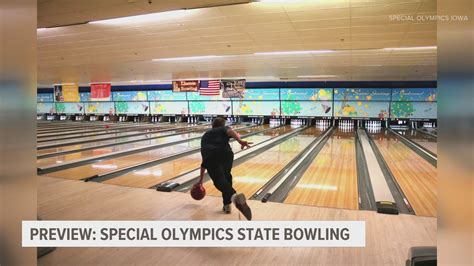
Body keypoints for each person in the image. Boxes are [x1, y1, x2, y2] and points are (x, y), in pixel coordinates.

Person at [199, 117, 253, 220]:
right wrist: (240, 140)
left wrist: (201, 180)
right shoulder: (223, 129)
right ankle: (227, 205)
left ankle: (234, 197)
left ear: (212, 125)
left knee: (219, 180)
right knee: (226, 178)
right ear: (222, 125)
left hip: (211, 156)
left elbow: (204, 161)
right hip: (227, 154)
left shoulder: (205, 135)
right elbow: (230, 131)